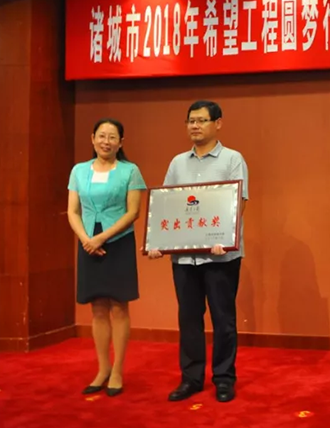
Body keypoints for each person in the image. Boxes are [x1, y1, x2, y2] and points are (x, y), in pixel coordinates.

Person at [148, 100, 249, 403]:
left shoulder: (232, 159)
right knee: (189, 319)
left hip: (221, 255)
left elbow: (238, 203)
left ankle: (224, 378)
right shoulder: (178, 163)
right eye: (191, 120)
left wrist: (224, 237)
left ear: (218, 123)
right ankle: (191, 378)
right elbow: (167, 204)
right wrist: (159, 242)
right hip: (184, 257)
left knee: (223, 319)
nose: (195, 126)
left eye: (202, 120)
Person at [67, 118, 146, 397]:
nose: (106, 142)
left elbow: (133, 212)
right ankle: (102, 368)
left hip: (118, 242)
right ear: (92, 138)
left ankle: (117, 371)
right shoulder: (78, 170)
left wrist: (102, 238)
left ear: (121, 143)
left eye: (112, 137)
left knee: (119, 306)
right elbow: (73, 211)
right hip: (88, 242)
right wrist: (86, 239)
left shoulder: (130, 171)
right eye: (101, 136)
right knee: (97, 308)